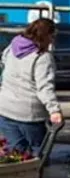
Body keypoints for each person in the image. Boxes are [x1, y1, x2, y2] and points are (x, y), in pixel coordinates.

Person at [0, 18, 62, 154]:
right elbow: (44, 87)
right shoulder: (42, 57)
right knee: (37, 156)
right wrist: (54, 110)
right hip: (29, 114)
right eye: (52, 36)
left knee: (15, 154)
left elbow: (3, 65)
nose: (52, 40)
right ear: (46, 35)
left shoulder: (13, 46)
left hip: (5, 110)